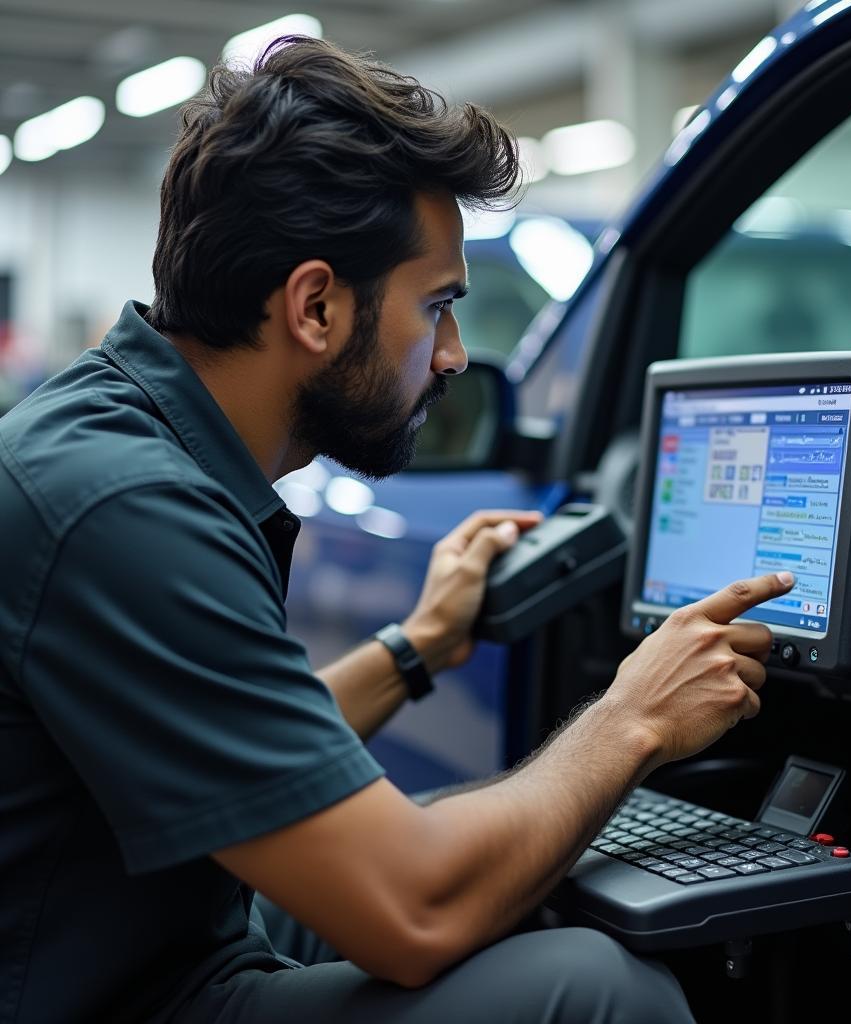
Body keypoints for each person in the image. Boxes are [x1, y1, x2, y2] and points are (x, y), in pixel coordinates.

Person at [0, 37, 795, 1023]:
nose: (455, 355)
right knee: (593, 989)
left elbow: (243, 755)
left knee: (490, 867)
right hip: (124, 994)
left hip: (151, 940)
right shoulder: (119, 505)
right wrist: (632, 719)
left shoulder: (130, 442)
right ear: (316, 305)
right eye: (438, 307)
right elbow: (411, 911)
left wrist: (417, 648)